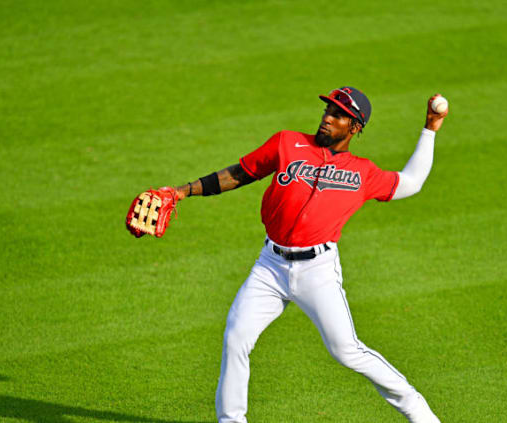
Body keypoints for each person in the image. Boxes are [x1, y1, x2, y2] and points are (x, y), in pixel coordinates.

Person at [173, 87, 448, 423]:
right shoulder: (287, 143)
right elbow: (239, 173)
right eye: (326, 111)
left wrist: (430, 128)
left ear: (355, 127)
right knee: (236, 336)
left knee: (346, 351)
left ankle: (417, 410)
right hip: (270, 267)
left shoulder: (363, 172)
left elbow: (412, 181)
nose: (326, 118)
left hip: (318, 271)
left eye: (337, 115)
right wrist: (183, 191)